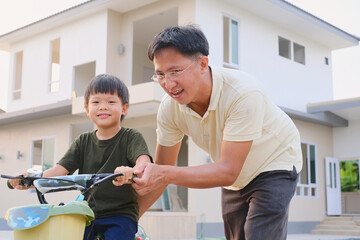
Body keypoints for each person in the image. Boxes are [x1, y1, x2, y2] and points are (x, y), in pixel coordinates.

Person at [132, 25, 303, 240]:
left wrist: (163, 173)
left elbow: (224, 170)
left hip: (274, 162)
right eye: (160, 75)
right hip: (234, 176)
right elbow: (160, 173)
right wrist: (127, 221)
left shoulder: (242, 93)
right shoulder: (169, 108)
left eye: (175, 71)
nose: (168, 83)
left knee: (258, 235)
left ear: (203, 64)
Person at [9, 74, 152, 240]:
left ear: (124, 108)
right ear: (87, 109)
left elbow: (144, 163)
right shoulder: (83, 141)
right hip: (87, 213)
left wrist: (131, 171)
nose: (103, 107)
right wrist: (30, 180)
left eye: (111, 102)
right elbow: (59, 171)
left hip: (121, 214)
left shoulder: (131, 137)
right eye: (96, 102)